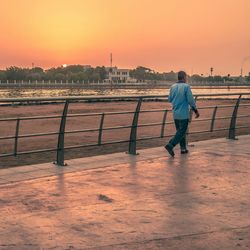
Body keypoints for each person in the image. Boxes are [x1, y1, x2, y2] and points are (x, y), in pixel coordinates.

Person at [165, 71, 200, 157]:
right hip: (184, 113)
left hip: (175, 113)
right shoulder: (186, 87)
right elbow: (191, 100)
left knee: (179, 132)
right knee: (182, 131)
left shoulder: (172, 87)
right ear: (184, 77)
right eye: (186, 77)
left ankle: (183, 149)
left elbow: (169, 99)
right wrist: (196, 110)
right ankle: (170, 145)